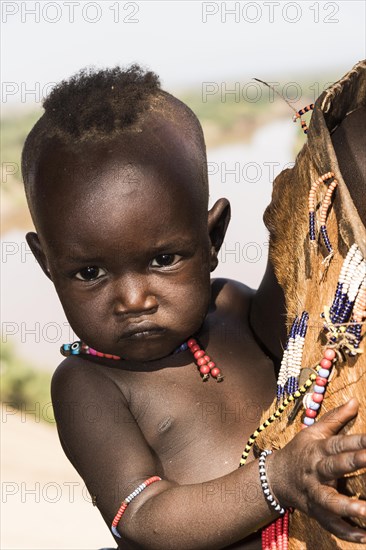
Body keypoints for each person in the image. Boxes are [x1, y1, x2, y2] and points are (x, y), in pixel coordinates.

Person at [21, 65, 366, 549]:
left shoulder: (233, 310)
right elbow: (144, 515)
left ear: (212, 240)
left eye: (163, 260)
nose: (133, 300)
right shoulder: (89, 385)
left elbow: (309, 302)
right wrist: (280, 480)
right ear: (46, 263)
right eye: (90, 273)